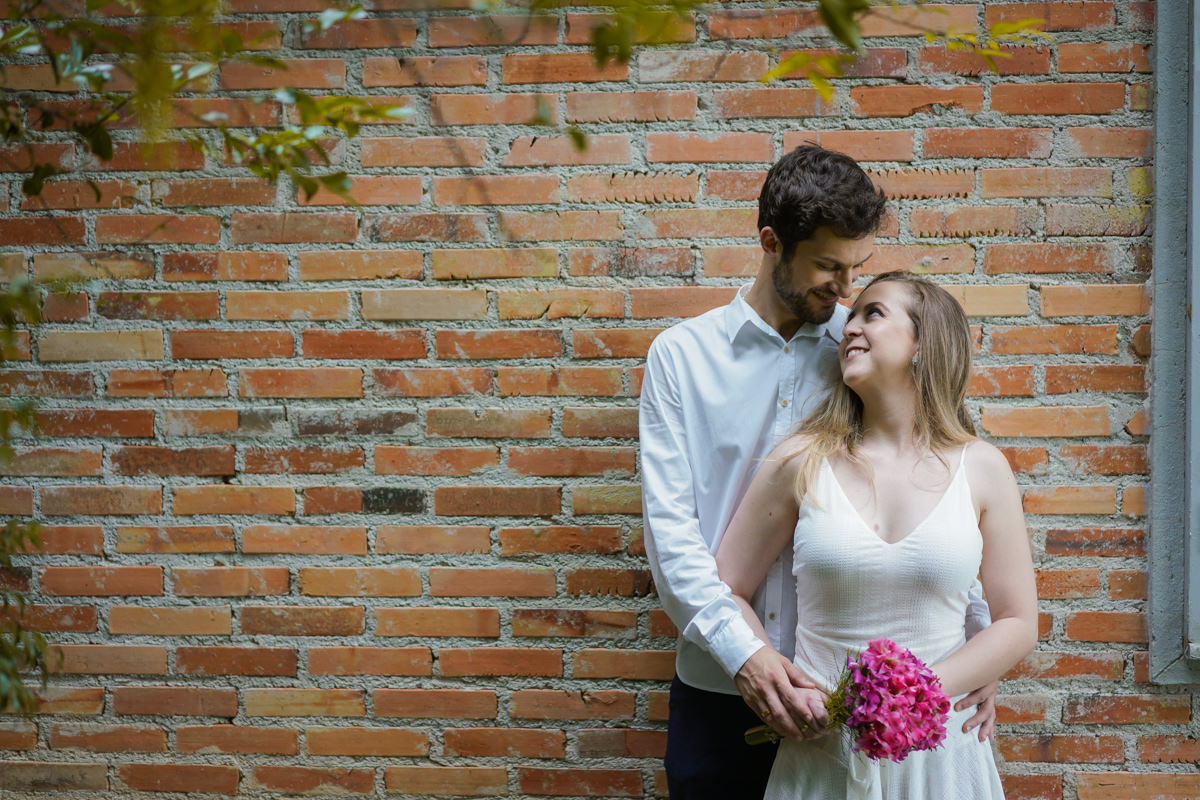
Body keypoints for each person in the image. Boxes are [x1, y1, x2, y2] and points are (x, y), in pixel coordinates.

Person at [639, 145, 996, 800]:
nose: (845, 289)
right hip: (722, 691)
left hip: (851, 704)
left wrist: (970, 648)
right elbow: (672, 542)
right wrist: (747, 659)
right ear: (772, 242)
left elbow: (932, 483)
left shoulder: (862, 349)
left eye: (856, 268)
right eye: (828, 266)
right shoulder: (680, 359)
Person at [715, 271, 1039, 798]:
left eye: (873, 313)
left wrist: (922, 694)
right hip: (822, 754)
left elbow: (1017, 619)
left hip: (941, 754)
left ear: (922, 344)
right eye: (850, 317)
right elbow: (726, 587)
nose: (849, 328)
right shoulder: (800, 461)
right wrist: (768, 672)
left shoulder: (981, 468)